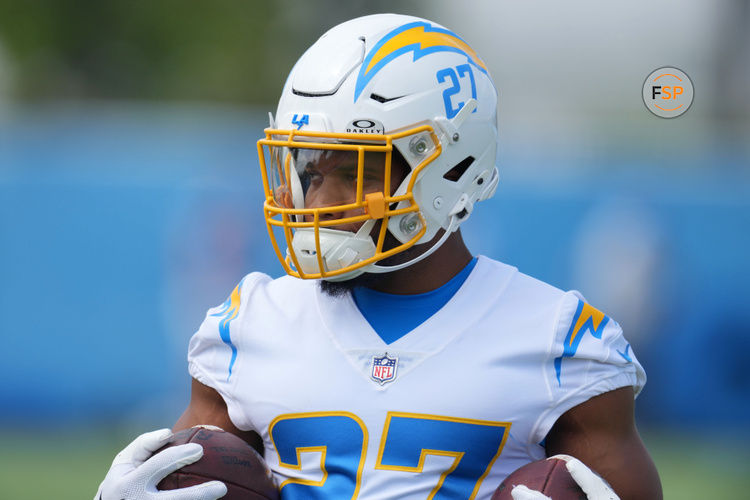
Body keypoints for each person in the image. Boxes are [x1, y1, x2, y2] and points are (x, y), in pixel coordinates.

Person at [96, 13, 662, 500]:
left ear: (450, 167)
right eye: (310, 172)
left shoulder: (560, 341)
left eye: (353, 173)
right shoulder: (249, 325)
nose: (319, 201)